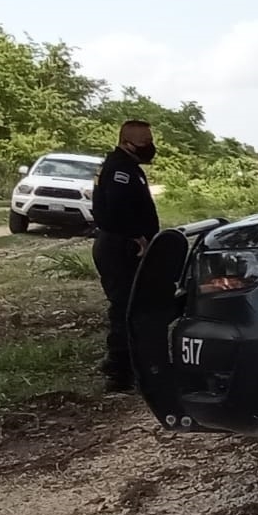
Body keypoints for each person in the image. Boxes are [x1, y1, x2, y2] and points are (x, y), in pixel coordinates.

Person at [91, 120, 160, 393]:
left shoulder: (127, 167)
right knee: (124, 309)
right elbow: (117, 211)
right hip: (120, 247)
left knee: (131, 307)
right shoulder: (120, 169)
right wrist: (137, 236)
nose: (150, 147)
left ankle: (125, 366)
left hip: (121, 244)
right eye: (144, 142)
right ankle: (119, 374)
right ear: (126, 142)